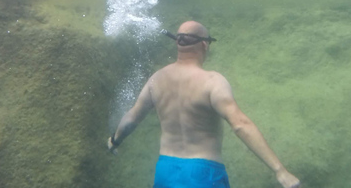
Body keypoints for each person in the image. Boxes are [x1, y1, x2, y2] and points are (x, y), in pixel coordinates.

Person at [107, 21, 301, 188]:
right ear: (205, 45)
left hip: (165, 170)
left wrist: (115, 140)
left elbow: (132, 117)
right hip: (203, 173)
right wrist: (280, 170)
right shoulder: (212, 82)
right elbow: (240, 124)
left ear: (177, 43)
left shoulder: (156, 80)